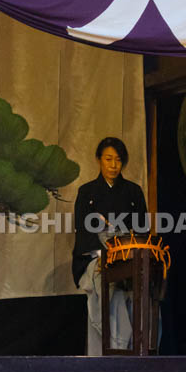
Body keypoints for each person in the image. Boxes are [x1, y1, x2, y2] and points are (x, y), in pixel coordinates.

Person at [72, 136, 146, 355]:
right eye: (108, 159)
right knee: (107, 284)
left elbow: (142, 231)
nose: (114, 165)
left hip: (128, 255)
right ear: (98, 160)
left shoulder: (134, 192)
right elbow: (84, 231)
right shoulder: (87, 193)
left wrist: (127, 248)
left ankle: (131, 349)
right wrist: (104, 255)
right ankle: (112, 348)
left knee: (136, 289)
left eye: (118, 160)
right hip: (96, 257)